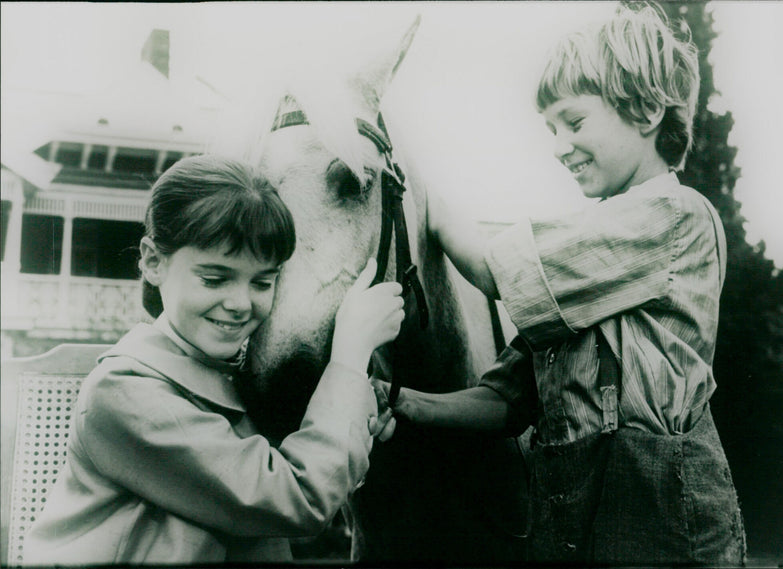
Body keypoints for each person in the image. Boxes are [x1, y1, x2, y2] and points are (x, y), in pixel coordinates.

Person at [372, 4, 746, 565]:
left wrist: (427, 203)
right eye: (551, 129)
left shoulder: (672, 215)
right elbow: (501, 402)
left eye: (573, 122)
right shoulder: (582, 277)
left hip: (660, 515)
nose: (558, 145)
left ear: (645, 111)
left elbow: (495, 270)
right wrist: (400, 401)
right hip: (572, 517)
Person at [23, 155, 405, 564]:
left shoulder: (231, 373)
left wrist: (354, 409)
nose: (240, 304)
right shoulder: (124, 390)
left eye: (263, 281)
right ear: (153, 261)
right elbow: (296, 499)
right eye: (214, 278)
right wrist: (348, 357)